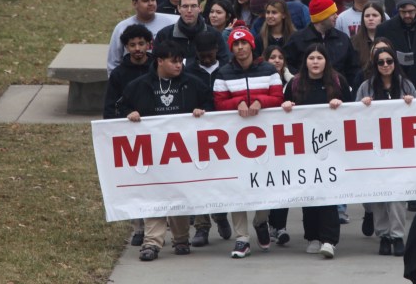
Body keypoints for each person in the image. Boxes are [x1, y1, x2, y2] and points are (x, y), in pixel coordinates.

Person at [119, 41, 212, 261]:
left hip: (183, 153)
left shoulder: (193, 84)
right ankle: (152, 243)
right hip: (151, 153)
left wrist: (202, 111)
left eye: (181, 61)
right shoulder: (139, 85)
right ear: (160, 61)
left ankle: (181, 239)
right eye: (174, 61)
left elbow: (211, 104)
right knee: (154, 195)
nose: (179, 65)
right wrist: (129, 113)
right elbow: (120, 106)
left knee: (179, 195)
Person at [213, 26, 284, 258]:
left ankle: (260, 221)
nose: (240, 48)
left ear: (252, 45)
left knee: (264, 185)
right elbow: (218, 102)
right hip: (234, 142)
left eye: (244, 43)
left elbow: (278, 97)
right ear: (231, 48)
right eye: (235, 44)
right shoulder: (223, 73)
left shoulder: (268, 70)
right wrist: (237, 104)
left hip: (265, 141)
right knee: (237, 189)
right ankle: (242, 238)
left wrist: (260, 102)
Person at [281, 43, 349, 258]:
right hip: (303, 148)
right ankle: (312, 236)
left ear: (326, 61)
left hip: (332, 147)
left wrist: (342, 104)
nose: (316, 62)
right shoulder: (294, 83)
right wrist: (286, 106)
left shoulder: (338, 81)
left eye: (320, 58)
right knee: (309, 191)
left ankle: (329, 240)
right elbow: (282, 108)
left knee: (327, 192)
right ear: (306, 61)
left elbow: (353, 109)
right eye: (312, 58)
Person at [354, 46, 414, 256]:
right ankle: (383, 235)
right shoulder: (365, 87)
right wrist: (362, 105)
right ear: (375, 65)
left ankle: (397, 235)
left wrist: (411, 104)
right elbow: (353, 117)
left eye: (389, 61)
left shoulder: (406, 85)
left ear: (395, 63)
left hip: (400, 150)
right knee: (377, 193)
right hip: (373, 151)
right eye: (381, 62)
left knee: (397, 194)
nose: (386, 65)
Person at [284, 0, 361, 93]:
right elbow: (287, 64)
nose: (336, 16)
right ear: (321, 17)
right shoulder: (297, 39)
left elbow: (353, 67)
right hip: (306, 93)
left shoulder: (342, 38)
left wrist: (350, 88)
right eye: (332, 14)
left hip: (338, 92)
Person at [106, 0, 178, 74]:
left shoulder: (171, 22)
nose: (151, 3)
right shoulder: (121, 28)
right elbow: (113, 63)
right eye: (145, 0)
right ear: (135, 3)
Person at [156, 0, 230, 64]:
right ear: (179, 8)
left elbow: (223, 62)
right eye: (185, 6)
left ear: (200, 8)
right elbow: (156, 63)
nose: (189, 10)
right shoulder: (164, 35)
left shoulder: (215, 35)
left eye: (193, 6)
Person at [104, 24, 154, 119]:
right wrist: (127, 114)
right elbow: (110, 109)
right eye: (132, 45)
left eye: (141, 44)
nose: (137, 48)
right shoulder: (117, 74)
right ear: (126, 47)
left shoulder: (159, 69)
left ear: (148, 45)